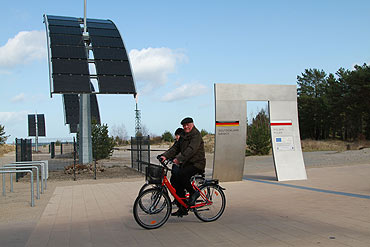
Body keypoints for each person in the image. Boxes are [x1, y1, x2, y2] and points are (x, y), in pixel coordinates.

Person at [160, 117, 206, 217]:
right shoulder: (183, 135)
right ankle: (183, 207)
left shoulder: (196, 135)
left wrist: (179, 159)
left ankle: (194, 193)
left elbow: (191, 150)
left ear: (192, 124)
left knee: (182, 175)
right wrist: (165, 155)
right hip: (187, 163)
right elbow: (175, 148)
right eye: (184, 125)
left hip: (197, 164)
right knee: (175, 180)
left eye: (187, 125)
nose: (185, 127)